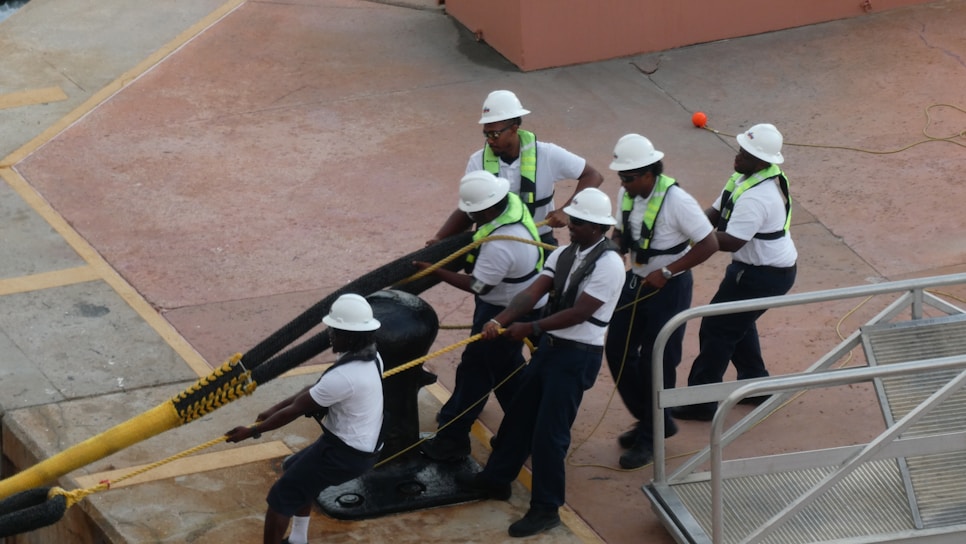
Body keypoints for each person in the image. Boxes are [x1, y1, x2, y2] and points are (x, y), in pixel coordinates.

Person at [456, 188, 625, 538]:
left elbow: (580, 312)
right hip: (551, 349)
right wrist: (500, 320)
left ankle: (547, 508)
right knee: (518, 416)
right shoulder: (565, 253)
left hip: (576, 357)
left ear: (597, 228)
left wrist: (530, 327)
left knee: (550, 435)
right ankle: (496, 480)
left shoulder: (609, 265)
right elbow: (532, 292)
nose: (570, 226)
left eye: (578, 223)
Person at [225, 294, 384, 544]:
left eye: (334, 330)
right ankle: (298, 539)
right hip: (353, 445)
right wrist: (273, 408)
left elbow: (295, 410)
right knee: (294, 469)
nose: (329, 334)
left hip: (345, 455)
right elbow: (315, 390)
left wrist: (253, 430)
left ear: (350, 335)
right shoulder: (370, 357)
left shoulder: (346, 376)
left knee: (281, 496)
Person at [415, 170, 548, 462]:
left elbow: (478, 285)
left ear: (487, 209)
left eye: (474, 212)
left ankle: (451, 438)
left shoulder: (500, 244)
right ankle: (529, 426)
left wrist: (435, 270)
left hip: (504, 311)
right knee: (507, 369)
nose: (471, 218)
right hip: (522, 301)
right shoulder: (511, 203)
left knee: (476, 371)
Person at [603, 134, 718, 469]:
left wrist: (668, 271)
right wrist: (616, 246)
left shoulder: (677, 201)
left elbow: (708, 244)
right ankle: (652, 419)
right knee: (618, 351)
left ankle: (651, 437)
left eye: (628, 177)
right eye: (621, 177)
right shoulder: (628, 193)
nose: (622, 183)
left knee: (660, 359)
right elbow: (622, 231)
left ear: (649, 173)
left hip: (670, 287)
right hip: (636, 281)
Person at [673, 123, 798, 422]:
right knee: (737, 325)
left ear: (763, 161)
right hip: (754, 270)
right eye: (741, 149)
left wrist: (689, 246)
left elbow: (730, 241)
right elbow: (714, 214)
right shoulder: (743, 178)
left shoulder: (758, 196)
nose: (737, 156)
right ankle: (755, 384)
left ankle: (701, 402)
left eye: (746, 153)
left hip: (763, 276)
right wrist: (688, 230)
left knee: (717, 329)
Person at [427, 89, 604, 247]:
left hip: (538, 239)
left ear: (514, 129)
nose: (490, 140)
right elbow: (469, 209)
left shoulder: (547, 154)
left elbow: (593, 175)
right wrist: (440, 237)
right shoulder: (477, 162)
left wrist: (566, 210)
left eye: (495, 134)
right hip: (494, 243)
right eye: (486, 134)